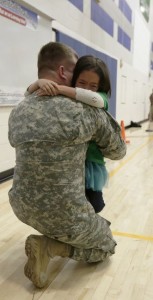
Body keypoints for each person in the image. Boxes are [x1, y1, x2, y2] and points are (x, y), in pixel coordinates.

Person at [8, 42, 126, 289]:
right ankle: (50, 247)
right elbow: (118, 151)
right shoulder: (85, 110)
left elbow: (15, 140)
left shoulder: (18, 110)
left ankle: (57, 233)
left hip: (21, 207)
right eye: (76, 73)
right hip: (65, 213)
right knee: (106, 246)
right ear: (63, 73)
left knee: (76, 214)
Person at [27, 55, 111, 213]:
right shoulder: (67, 97)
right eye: (82, 82)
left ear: (100, 86)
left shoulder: (100, 97)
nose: (87, 89)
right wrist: (38, 83)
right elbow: (28, 95)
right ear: (74, 79)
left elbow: (96, 99)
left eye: (93, 85)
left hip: (91, 163)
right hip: (68, 163)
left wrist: (60, 88)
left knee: (95, 204)